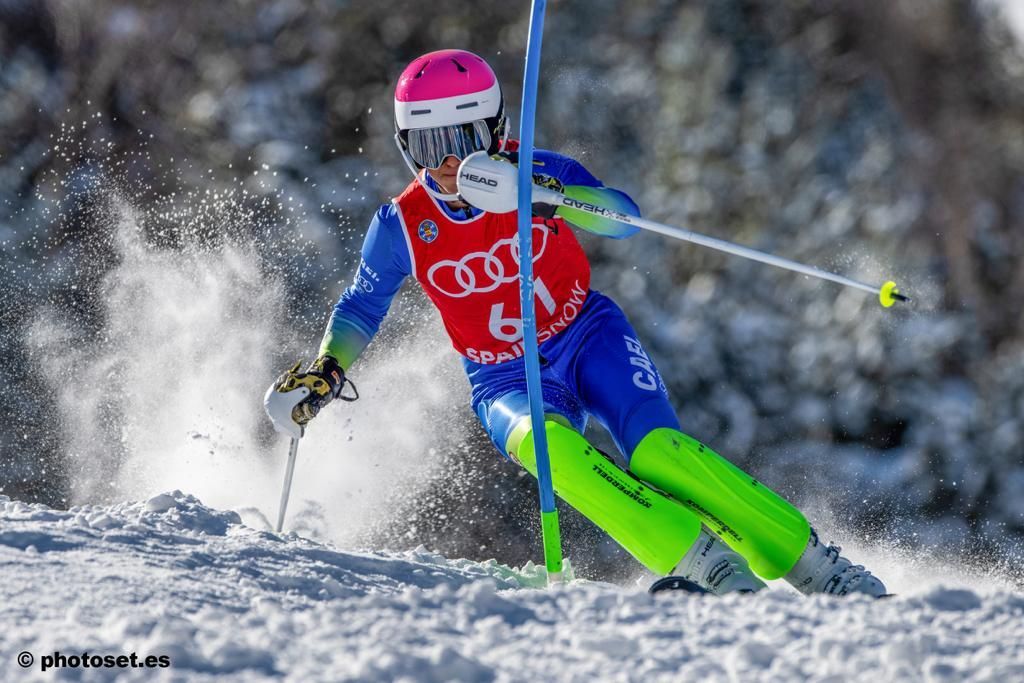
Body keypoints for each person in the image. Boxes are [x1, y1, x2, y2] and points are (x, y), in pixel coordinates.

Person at [265, 49, 886, 597]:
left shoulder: (537, 171)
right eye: (429, 147)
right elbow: (361, 305)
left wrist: (546, 196)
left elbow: (624, 220)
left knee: (659, 453)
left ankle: (818, 566)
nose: (449, 163)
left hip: (587, 335)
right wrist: (327, 368)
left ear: (496, 129)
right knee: (552, 451)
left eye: (464, 138)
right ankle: (707, 567)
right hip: (502, 378)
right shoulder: (402, 224)